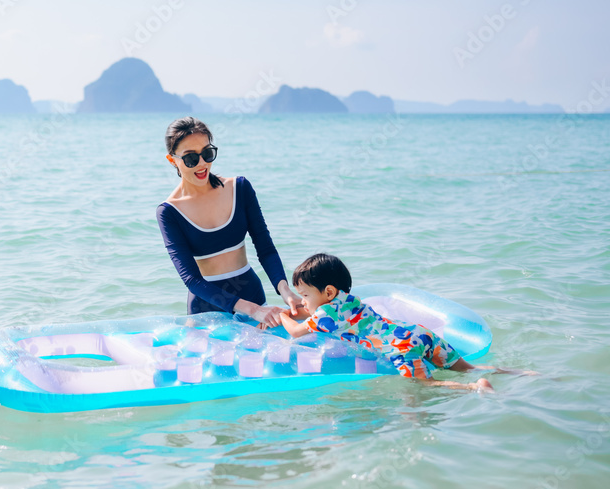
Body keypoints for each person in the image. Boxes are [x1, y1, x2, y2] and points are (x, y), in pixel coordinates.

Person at [261, 253, 533, 392]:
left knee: (427, 384)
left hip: (402, 348)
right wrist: (307, 309)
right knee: (467, 367)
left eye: (305, 295)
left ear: (328, 293)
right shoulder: (349, 301)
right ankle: (518, 374)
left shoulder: (324, 315)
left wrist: (284, 314)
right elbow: (325, 316)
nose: (303, 301)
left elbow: (297, 332)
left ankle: (474, 389)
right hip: (417, 333)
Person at [156, 116, 303, 327]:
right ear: (172, 160)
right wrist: (253, 310)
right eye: (191, 158)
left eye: (207, 153)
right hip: (205, 309)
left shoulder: (240, 189)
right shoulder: (169, 212)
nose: (202, 164)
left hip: (251, 292)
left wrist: (285, 291)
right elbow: (192, 280)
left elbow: (265, 248)